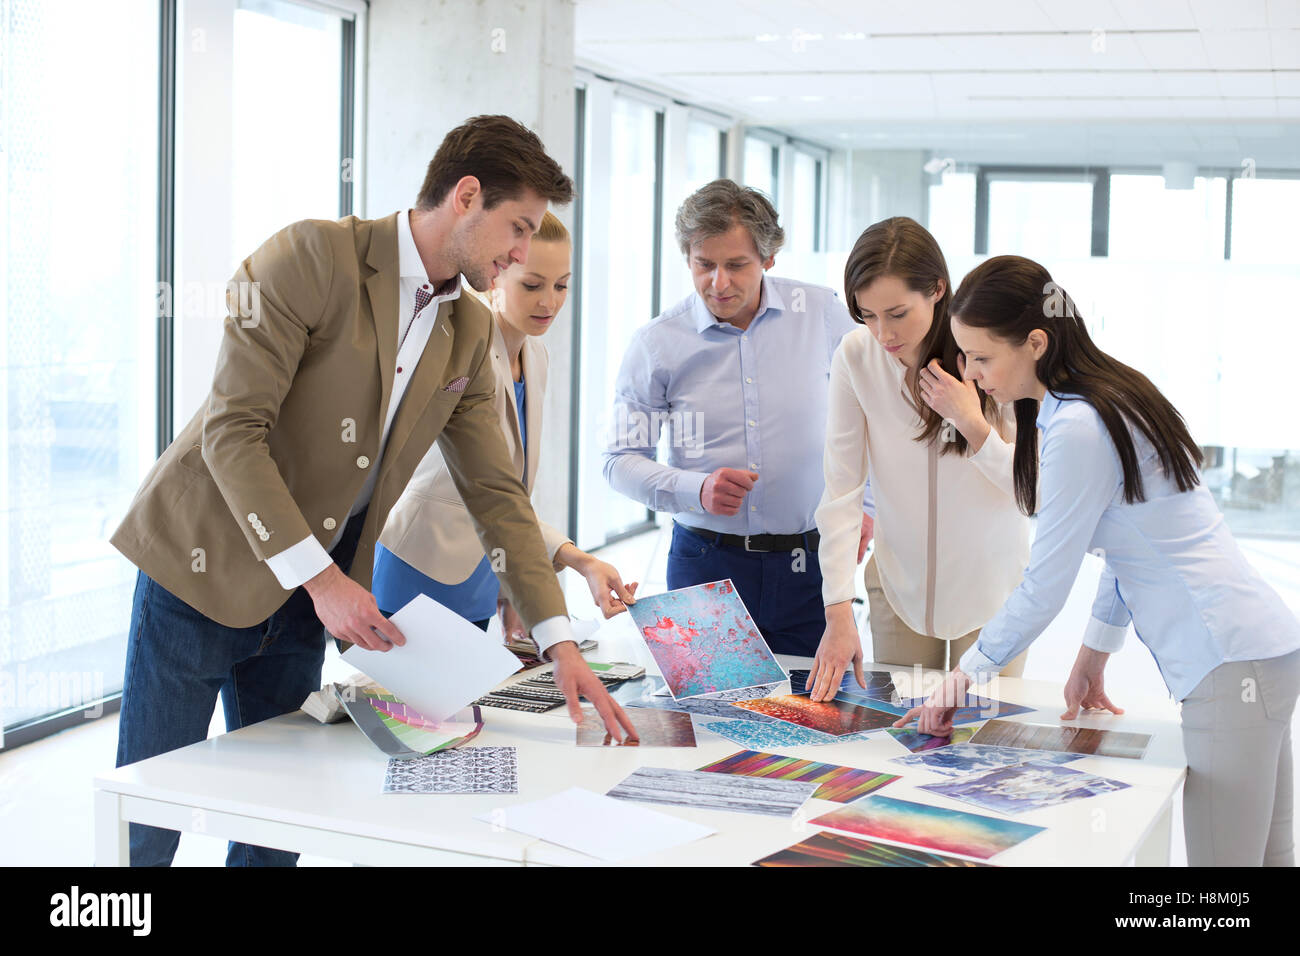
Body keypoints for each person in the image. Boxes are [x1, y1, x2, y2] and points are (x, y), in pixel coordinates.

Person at [111, 115, 636, 867]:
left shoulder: (465, 328)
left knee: (279, 825)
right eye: (517, 229)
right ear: (466, 196)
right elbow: (235, 433)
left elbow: (496, 494)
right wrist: (322, 579)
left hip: (305, 599)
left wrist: (557, 642)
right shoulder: (307, 258)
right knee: (147, 818)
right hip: (204, 565)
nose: (522, 255)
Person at [899, 254, 1300, 867]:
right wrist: (1094, 652)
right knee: (1266, 860)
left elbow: (1044, 586)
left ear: (1035, 341)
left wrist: (965, 673)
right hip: (1257, 651)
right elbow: (1130, 542)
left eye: (982, 357)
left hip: (1226, 661)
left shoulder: (1079, 426)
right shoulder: (1103, 396)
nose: (974, 376)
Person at [603, 179, 859, 656]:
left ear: (769, 258)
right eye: (704, 265)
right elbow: (618, 460)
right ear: (687, 259)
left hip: (811, 566)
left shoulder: (820, 313)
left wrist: (868, 511)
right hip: (703, 562)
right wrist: (694, 489)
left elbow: (874, 414)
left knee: (813, 720)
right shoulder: (656, 343)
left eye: (737, 265)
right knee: (705, 718)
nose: (718, 283)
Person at [373, 211, 639, 635]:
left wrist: (512, 586)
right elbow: (485, 491)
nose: (549, 302)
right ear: (495, 277)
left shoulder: (536, 356)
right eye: (532, 285)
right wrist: (576, 559)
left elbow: (511, 491)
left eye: (561, 285)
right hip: (420, 566)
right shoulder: (458, 350)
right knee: (416, 702)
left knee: (470, 702)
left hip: (481, 573)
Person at [807, 218, 1031, 702]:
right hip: (897, 588)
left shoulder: (990, 353)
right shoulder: (856, 356)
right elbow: (842, 490)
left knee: (987, 746)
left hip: (995, 591)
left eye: (897, 313)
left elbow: (1030, 491)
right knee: (899, 740)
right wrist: (837, 608)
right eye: (867, 315)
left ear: (937, 290)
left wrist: (973, 424)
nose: (883, 333)